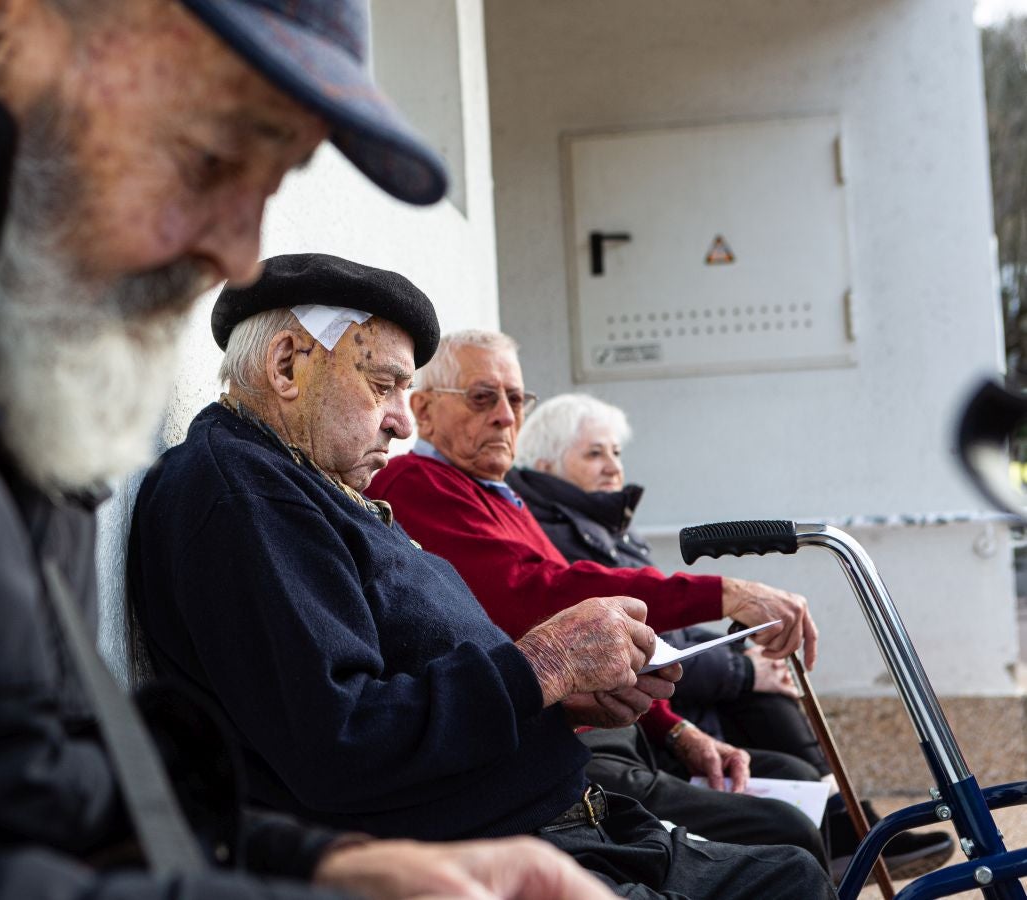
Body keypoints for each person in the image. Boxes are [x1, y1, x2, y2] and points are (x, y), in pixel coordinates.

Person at [0, 0, 619, 896]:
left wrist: (310, 869)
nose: (240, 256)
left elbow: (18, 792)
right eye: (211, 158)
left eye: (271, 185)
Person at [129, 252, 838, 899]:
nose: (403, 423)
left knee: (794, 871)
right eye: (385, 386)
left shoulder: (308, 483)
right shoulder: (246, 497)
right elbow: (342, 740)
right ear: (287, 367)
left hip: (562, 816)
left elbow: (424, 679)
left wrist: (567, 700)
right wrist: (547, 665)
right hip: (493, 854)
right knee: (789, 879)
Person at [364, 330, 830, 863]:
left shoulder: (501, 496)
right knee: (786, 835)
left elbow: (588, 626)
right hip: (560, 752)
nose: (505, 415)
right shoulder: (417, 483)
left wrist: (677, 733)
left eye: (515, 399)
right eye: (482, 397)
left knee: (790, 787)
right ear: (422, 408)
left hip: (608, 734)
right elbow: (543, 596)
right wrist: (723, 591)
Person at [506, 391, 956, 883]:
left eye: (615, 452)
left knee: (769, 693)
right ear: (545, 461)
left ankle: (851, 828)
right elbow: (621, 633)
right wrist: (740, 669)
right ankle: (847, 835)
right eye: (595, 453)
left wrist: (739, 656)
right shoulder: (560, 530)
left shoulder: (594, 525)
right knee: (777, 774)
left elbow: (664, 625)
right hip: (633, 719)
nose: (613, 466)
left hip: (660, 711)